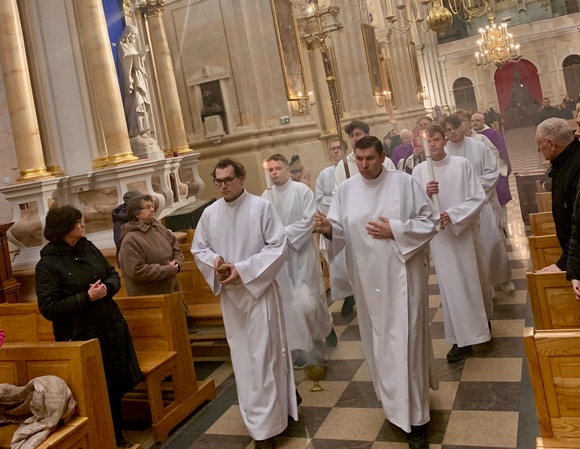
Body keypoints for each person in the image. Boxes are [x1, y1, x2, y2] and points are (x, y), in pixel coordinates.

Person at [315, 136, 438, 449]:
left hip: (404, 278)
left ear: (382, 157)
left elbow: (430, 222)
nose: (364, 165)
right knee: (380, 344)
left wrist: (395, 229)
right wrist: (328, 229)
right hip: (369, 283)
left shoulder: (404, 184)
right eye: (359, 159)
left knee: (407, 344)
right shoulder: (346, 190)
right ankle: (394, 405)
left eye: (370, 158)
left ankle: (417, 418)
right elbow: (340, 230)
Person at [191, 157, 298, 449]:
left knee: (265, 358)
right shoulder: (210, 213)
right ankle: (261, 417)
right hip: (231, 299)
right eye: (218, 181)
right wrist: (216, 262)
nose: (223, 186)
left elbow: (278, 247)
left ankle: (268, 428)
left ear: (241, 178)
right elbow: (199, 249)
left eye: (228, 179)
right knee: (243, 361)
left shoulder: (261, 207)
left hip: (259, 294)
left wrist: (243, 269)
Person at [35, 206, 141, 448]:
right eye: (76, 222)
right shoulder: (48, 264)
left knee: (113, 387)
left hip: (109, 327)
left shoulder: (89, 248)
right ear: (64, 228)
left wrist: (107, 288)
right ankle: (102, 438)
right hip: (79, 335)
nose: (82, 225)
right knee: (93, 388)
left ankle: (117, 436)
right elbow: (49, 308)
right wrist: (86, 297)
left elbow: (112, 274)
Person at [413, 125, 491, 362]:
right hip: (442, 239)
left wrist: (454, 215)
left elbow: (477, 197)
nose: (433, 144)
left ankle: (482, 327)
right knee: (451, 288)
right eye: (429, 141)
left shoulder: (461, 165)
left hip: (465, 233)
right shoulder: (419, 171)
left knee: (474, 279)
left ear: (444, 141)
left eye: (436, 139)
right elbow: (413, 206)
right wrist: (425, 194)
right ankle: (460, 339)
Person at [263, 154, 336, 369]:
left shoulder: (301, 191)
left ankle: (324, 330)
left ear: (287, 169)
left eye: (278, 168)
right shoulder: (265, 196)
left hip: (301, 253)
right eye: (271, 169)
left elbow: (309, 221)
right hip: (280, 258)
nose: (274, 173)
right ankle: (302, 348)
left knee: (310, 297)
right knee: (290, 302)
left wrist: (281, 235)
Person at [443, 115, 514, 295]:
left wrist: (473, 190)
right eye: (448, 130)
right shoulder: (444, 153)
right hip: (460, 208)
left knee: (492, 242)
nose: (453, 132)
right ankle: (483, 286)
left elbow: (492, 171)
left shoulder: (478, 145)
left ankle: (502, 279)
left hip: (482, 203)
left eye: (455, 127)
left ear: (462, 126)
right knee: (471, 249)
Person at [333, 120, 394, 317]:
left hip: (382, 228)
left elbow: (391, 189)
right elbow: (339, 196)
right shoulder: (343, 165)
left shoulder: (385, 162)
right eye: (351, 136)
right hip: (357, 231)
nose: (354, 138)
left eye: (358, 134)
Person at [118, 194, 190, 316]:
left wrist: (177, 263)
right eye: (147, 207)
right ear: (136, 214)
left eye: (152, 206)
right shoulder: (130, 239)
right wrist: (166, 270)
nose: (152, 209)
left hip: (172, 291)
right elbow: (136, 271)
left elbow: (176, 248)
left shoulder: (158, 227)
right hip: (152, 299)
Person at [536, 118, 580, 273]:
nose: (538, 149)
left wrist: (564, 264)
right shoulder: (563, 161)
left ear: (552, 144)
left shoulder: (575, 166)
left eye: (539, 144)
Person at [472, 112, 513, 233]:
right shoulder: (469, 136)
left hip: (495, 170)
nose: (474, 123)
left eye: (477, 120)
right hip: (479, 173)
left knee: (500, 198)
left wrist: (494, 167)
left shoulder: (493, 134)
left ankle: (503, 224)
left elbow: (501, 151)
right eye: (473, 121)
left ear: (483, 121)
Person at [117, 25, 151, 137]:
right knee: (136, 103)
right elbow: (126, 61)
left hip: (138, 78)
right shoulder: (122, 46)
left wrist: (141, 55)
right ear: (129, 34)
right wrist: (139, 54)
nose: (136, 37)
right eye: (134, 34)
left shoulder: (132, 48)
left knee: (141, 103)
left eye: (136, 35)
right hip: (133, 80)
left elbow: (137, 61)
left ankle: (143, 130)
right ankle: (135, 131)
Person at [315, 139, 343, 215]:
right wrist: (336, 202)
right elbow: (319, 198)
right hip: (331, 214)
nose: (336, 151)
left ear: (345, 150)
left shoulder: (352, 168)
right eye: (333, 149)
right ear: (330, 152)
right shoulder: (324, 174)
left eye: (339, 148)